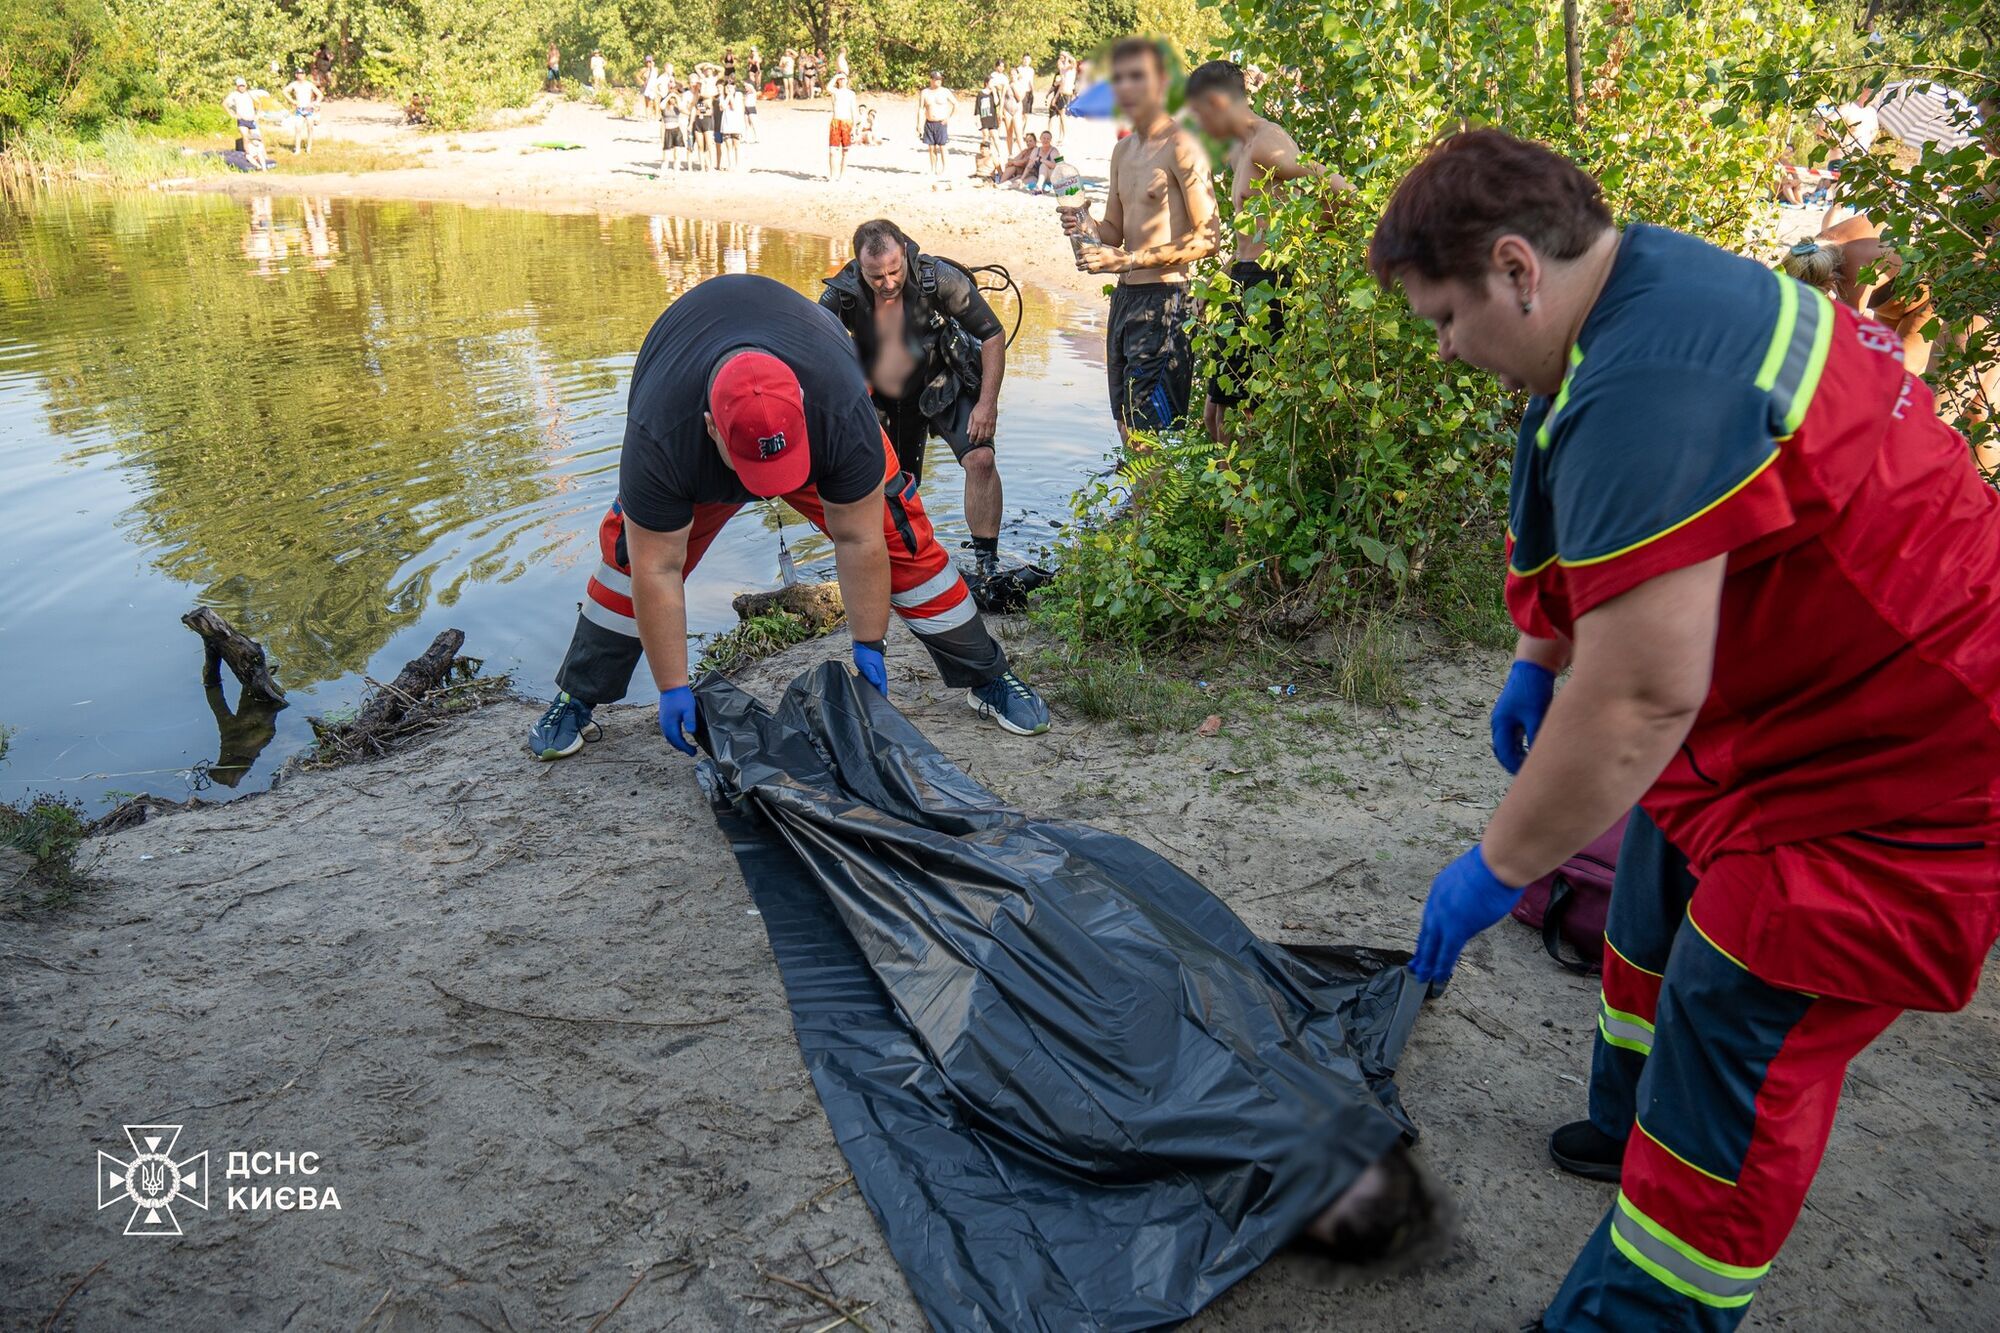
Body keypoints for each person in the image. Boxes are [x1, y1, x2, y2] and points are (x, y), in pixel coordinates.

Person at [1371, 129, 2000, 1332]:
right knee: (1656, 868)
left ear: (1515, 268)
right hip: (1793, 711)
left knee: (1737, 1004)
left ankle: (1638, 1305)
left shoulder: (1655, 373)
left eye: (1444, 317)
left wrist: (1495, 866)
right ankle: (1621, 1115)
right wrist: (1532, 656)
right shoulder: (1628, 293)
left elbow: (1641, 697)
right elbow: (1562, 493)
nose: (1447, 351)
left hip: (1911, 765)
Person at [525, 274, 1051, 761]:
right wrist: (671, 684)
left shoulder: (841, 408)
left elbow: (858, 537)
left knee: (900, 536)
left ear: (802, 401)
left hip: (814, 420)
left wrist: (870, 643)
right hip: (695, 428)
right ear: (711, 429)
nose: (772, 493)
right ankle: (579, 694)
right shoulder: (662, 437)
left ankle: (987, 676)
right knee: (628, 557)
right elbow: (655, 571)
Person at [820, 218, 1009, 573]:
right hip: (881, 397)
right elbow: (812, 347)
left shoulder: (937, 278)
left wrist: (987, 405)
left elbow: (993, 335)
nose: (888, 283)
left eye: (895, 270)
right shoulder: (841, 293)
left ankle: (987, 563)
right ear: (859, 267)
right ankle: (890, 563)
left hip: (942, 382)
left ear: (905, 253)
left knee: (981, 459)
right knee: (883, 484)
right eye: (876, 277)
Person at [1060, 39, 1219, 445]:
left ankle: (1150, 508)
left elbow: (1209, 237)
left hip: (1165, 303)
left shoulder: (1184, 147)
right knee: (1126, 423)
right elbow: (1114, 228)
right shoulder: (1122, 150)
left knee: (1152, 432)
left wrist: (1128, 260)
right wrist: (1085, 224)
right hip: (1125, 301)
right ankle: (1139, 508)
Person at [1186, 58, 1348, 443]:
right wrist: (1217, 281)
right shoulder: (1240, 149)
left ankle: (1251, 490)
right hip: (1243, 280)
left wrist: (1319, 239)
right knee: (1214, 414)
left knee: (1243, 417)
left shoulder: (1267, 143)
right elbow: (1250, 237)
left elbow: (1337, 186)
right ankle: (1237, 495)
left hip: (1268, 286)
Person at [918, 71, 957, 189]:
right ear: (931, 80)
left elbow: (955, 104)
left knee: (942, 146)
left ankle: (945, 169)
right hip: (929, 122)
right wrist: (918, 124)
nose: (938, 81)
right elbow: (920, 108)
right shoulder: (925, 92)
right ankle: (933, 168)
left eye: (940, 79)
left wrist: (948, 117)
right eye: (936, 79)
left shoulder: (945, 91)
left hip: (941, 122)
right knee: (931, 147)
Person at [828, 73, 858, 181]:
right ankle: (832, 176)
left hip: (847, 122)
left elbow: (854, 111)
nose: (842, 81)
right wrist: (836, 76)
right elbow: (828, 87)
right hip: (836, 122)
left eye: (843, 79)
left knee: (845, 151)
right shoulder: (835, 91)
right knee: (832, 150)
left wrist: (854, 127)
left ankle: (842, 176)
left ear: (847, 80)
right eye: (840, 79)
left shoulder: (851, 94)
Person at [284, 67, 321, 155]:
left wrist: (316, 103)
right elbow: (285, 91)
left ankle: (309, 148)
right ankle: (297, 149)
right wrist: (292, 101)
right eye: (299, 74)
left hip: (309, 108)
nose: (301, 75)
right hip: (299, 109)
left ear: (305, 75)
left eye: (302, 74)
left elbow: (320, 94)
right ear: (296, 75)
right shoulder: (294, 84)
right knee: (298, 128)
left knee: (310, 128)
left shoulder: (309, 84)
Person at [223, 76, 261, 155]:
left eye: (243, 86)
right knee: (245, 137)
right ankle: (248, 154)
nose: (241, 88)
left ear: (246, 86)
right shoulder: (234, 94)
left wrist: (257, 114)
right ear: (237, 87)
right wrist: (232, 114)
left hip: (251, 119)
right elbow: (224, 103)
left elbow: (259, 103)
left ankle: (262, 156)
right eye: (240, 86)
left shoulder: (250, 93)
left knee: (257, 138)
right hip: (242, 120)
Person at [1047, 51, 1076, 144]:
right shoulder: (1062, 71)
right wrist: (1055, 97)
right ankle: (1061, 136)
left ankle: (1065, 137)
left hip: (1067, 94)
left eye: (1060, 60)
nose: (1058, 64)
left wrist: (1067, 56)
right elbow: (1060, 86)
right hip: (1061, 94)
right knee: (1061, 117)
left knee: (1063, 116)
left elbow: (1074, 62)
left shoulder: (1070, 68)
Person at [716, 83, 746, 170]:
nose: (729, 89)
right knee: (728, 146)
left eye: (731, 87)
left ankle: (738, 164)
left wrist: (730, 96)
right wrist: (726, 96)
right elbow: (722, 107)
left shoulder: (738, 95)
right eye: (727, 87)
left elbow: (734, 106)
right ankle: (730, 164)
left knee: (737, 145)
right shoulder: (722, 97)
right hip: (726, 124)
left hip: (736, 124)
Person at [659, 85, 688, 171]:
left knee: (677, 154)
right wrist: (669, 95)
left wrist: (676, 96)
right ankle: (663, 172)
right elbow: (661, 105)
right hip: (668, 131)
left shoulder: (677, 108)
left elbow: (682, 107)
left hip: (676, 131)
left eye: (673, 98)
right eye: (671, 98)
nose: (672, 100)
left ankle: (676, 172)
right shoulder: (665, 108)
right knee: (666, 156)